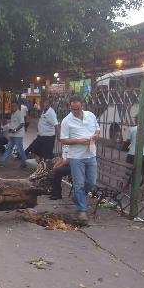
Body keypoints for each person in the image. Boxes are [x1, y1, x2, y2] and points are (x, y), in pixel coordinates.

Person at [60, 95, 100, 223]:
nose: (76, 111)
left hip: (91, 153)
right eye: (73, 109)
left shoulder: (90, 115)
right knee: (79, 184)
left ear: (82, 105)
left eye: (78, 108)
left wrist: (95, 137)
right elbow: (63, 140)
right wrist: (78, 141)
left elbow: (98, 130)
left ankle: (78, 198)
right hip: (76, 156)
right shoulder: (66, 121)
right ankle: (82, 210)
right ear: (70, 107)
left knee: (92, 182)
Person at [0, 102, 27, 169]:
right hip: (12, 135)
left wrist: (15, 130)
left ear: (17, 106)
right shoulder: (13, 114)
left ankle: (24, 163)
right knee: (8, 148)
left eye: (14, 106)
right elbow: (13, 123)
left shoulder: (20, 113)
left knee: (20, 150)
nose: (12, 107)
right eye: (11, 106)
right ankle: (3, 163)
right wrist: (10, 129)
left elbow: (22, 124)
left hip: (18, 135)